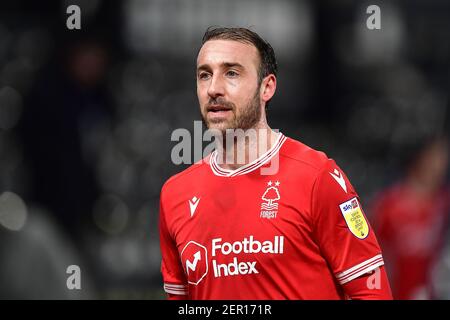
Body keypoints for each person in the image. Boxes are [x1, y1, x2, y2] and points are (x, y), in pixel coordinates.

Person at [159, 27, 392, 299]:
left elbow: (373, 292)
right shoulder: (175, 195)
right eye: (204, 75)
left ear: (266, 87)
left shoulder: (317, 177)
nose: (213, 89)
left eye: (231, 73)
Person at [372, 135, 449, 299]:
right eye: (435, 157)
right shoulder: (390, 206)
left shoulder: (443, 203)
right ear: (420, 158)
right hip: (395, 291)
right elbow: (373, 254)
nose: (440, 165)